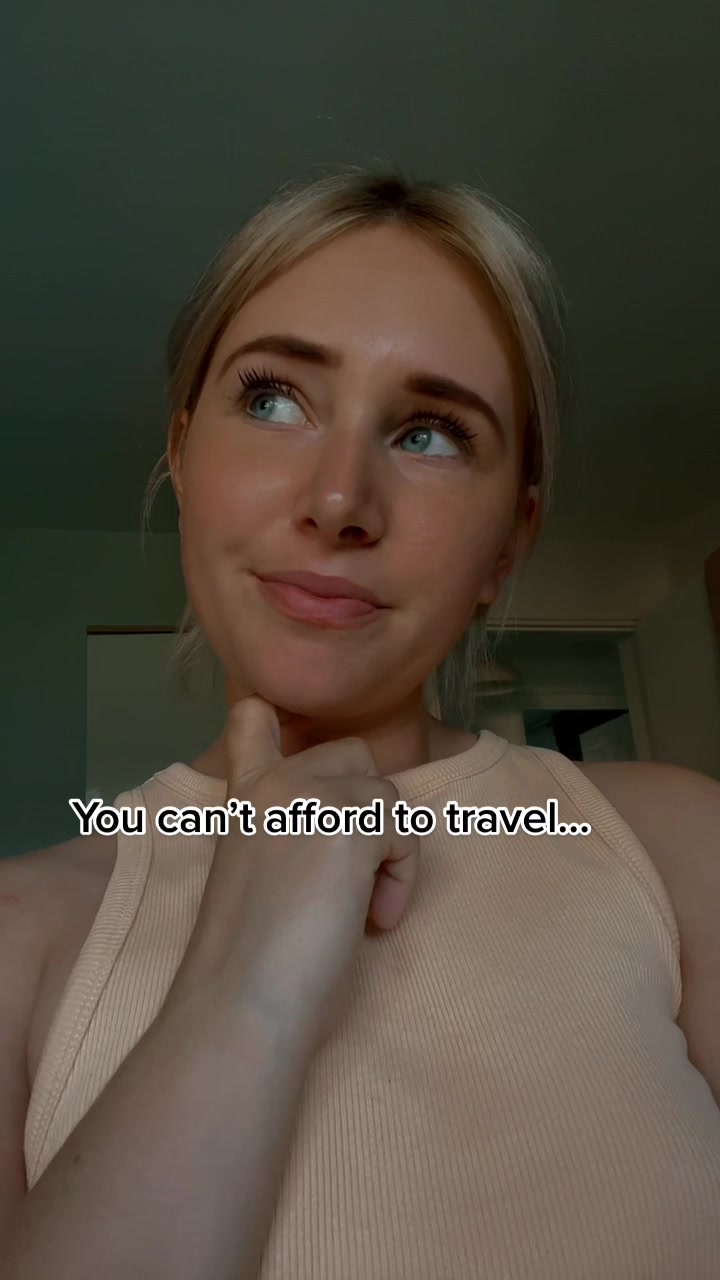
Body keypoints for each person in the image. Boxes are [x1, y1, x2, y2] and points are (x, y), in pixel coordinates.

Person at [2, 169, 719, 1280]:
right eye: (274, 400)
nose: (339, 500)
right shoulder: (19, 932)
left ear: (510, 540)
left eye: (431, 433)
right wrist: (245, 973)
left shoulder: (679, 847)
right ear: (183, 456)